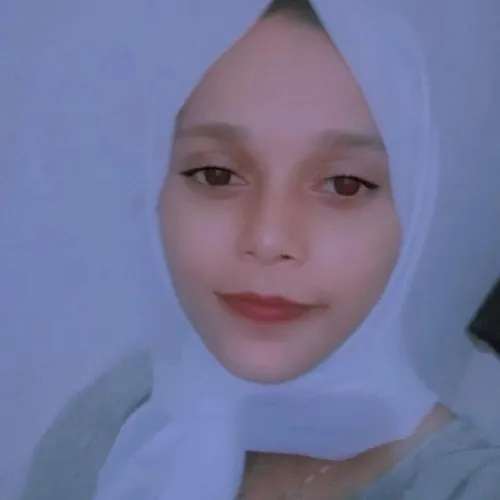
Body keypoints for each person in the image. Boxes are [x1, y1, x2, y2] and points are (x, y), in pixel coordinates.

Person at [11, 0, 500, 499]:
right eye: (216, 175)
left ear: (413, 217)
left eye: (344, 184)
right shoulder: (119, 417)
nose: (267, 238)